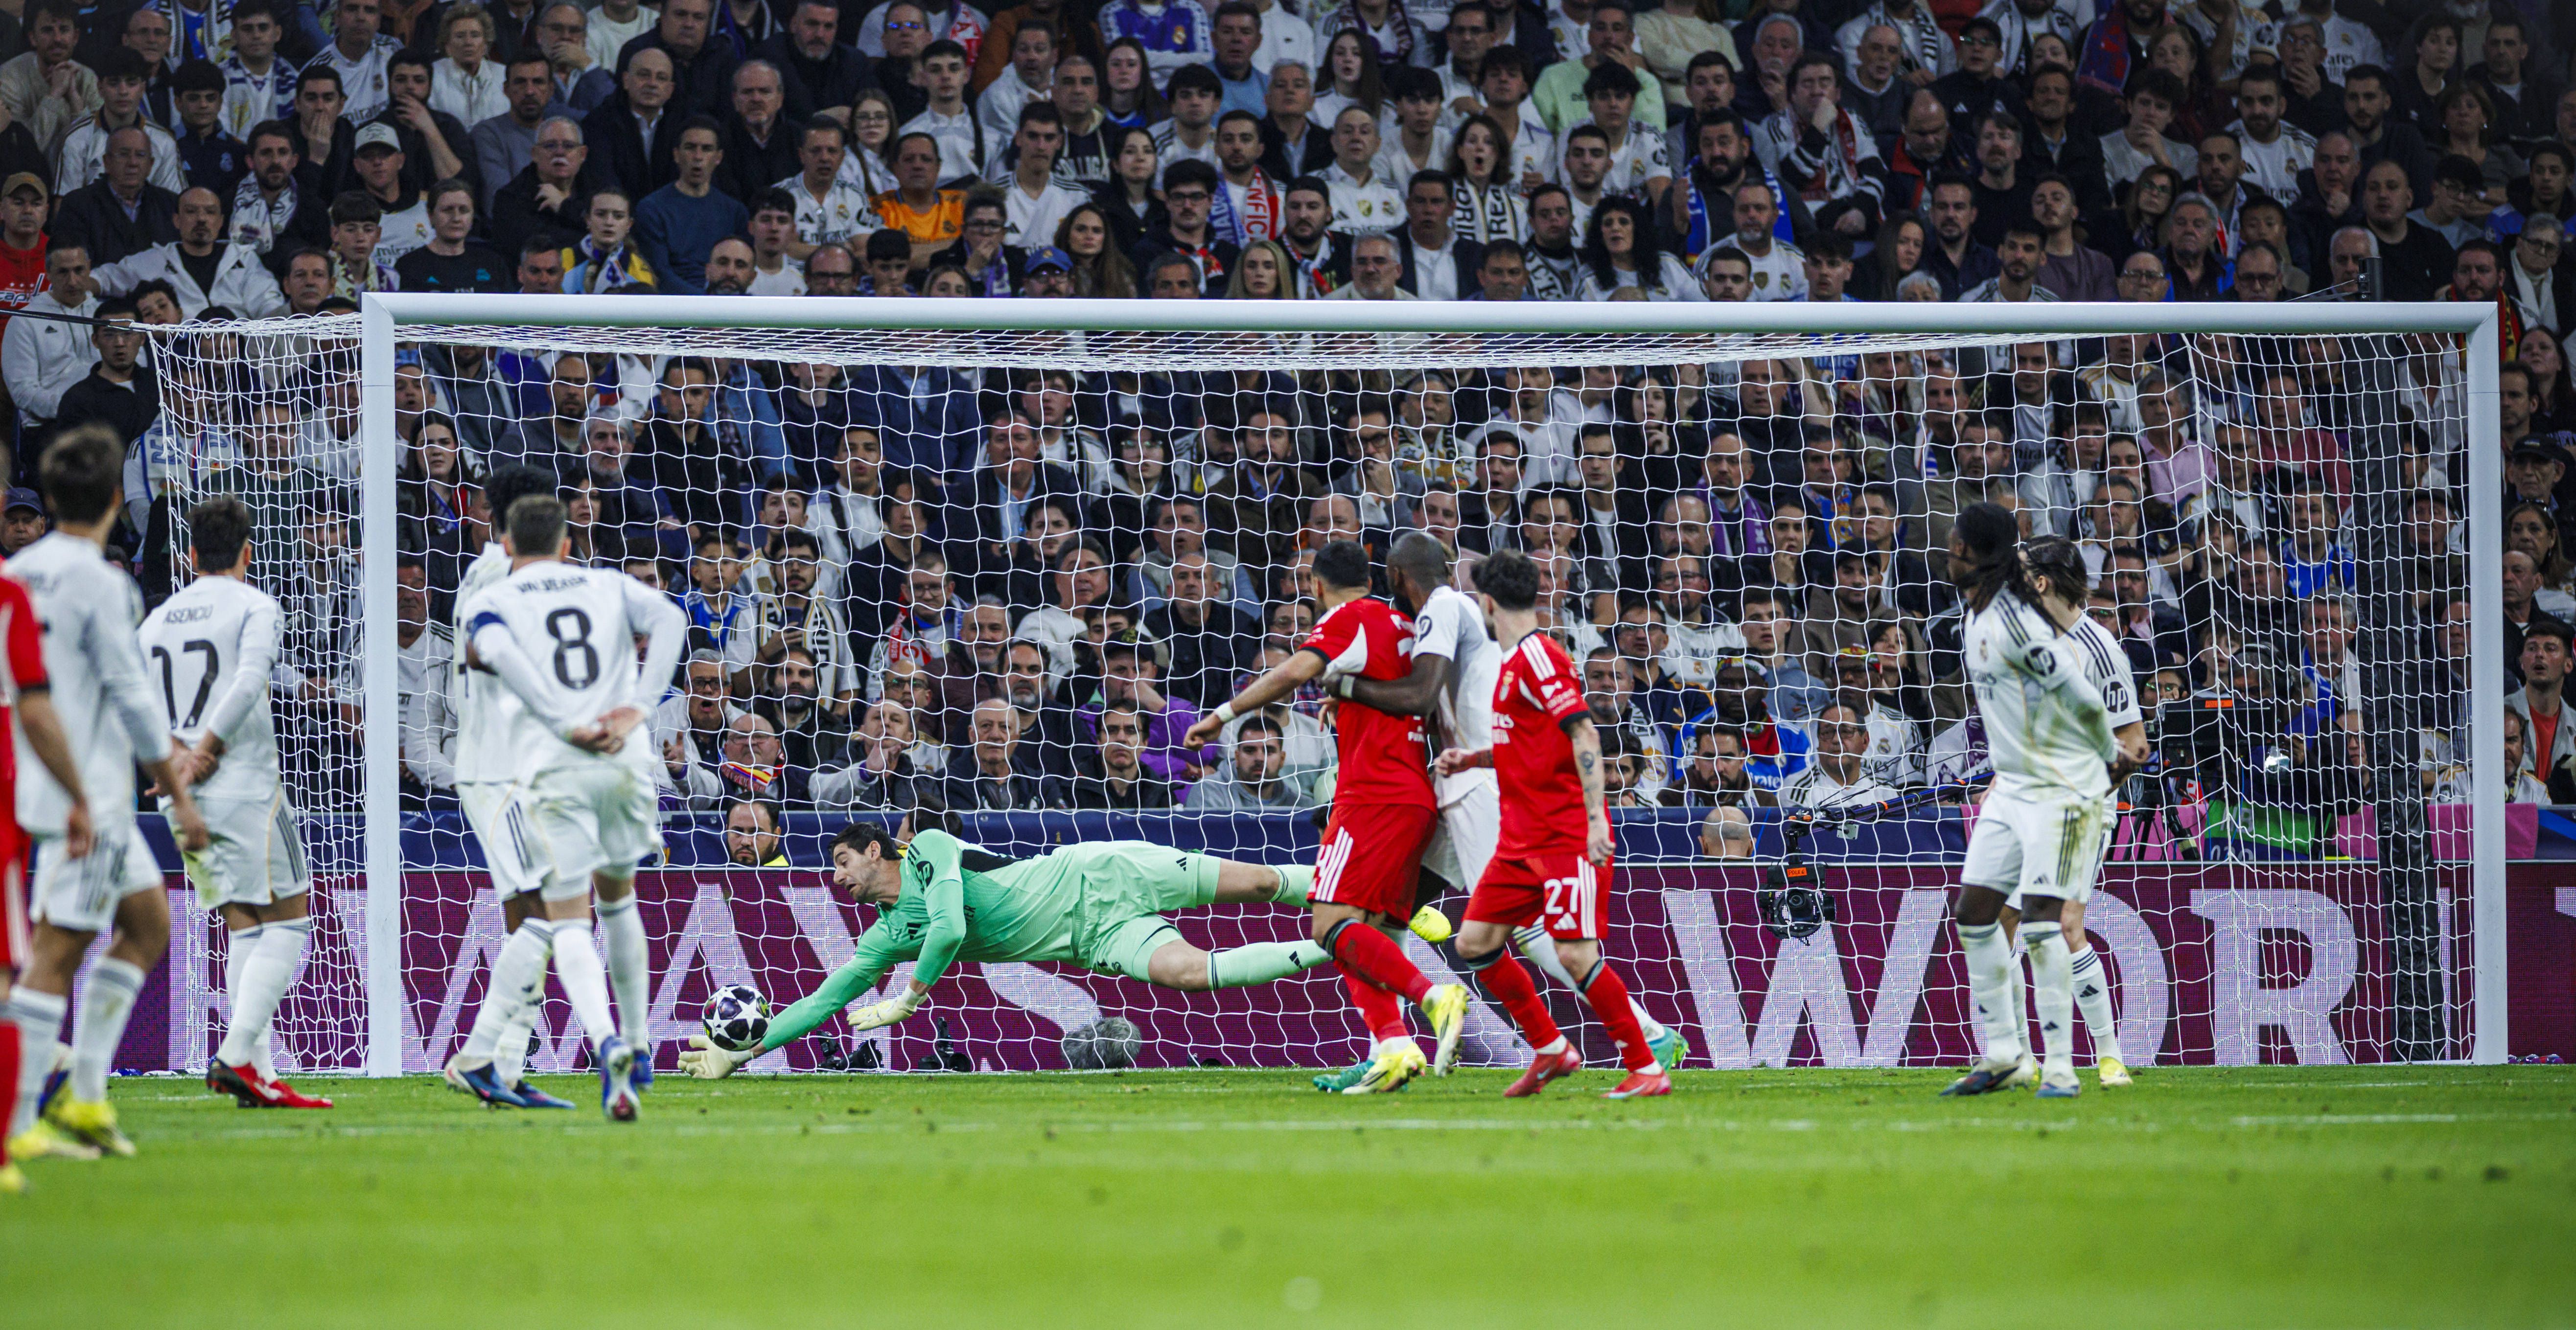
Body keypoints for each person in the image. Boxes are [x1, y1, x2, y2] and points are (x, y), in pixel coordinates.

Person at [681, 819, 1346, 1077]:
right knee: (1190, 974)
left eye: (842, 860)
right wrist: (742, 1050)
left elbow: (945, 928)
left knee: (1258, 879)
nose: (835, 876)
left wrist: (908, 999)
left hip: (1101, 871)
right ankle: (1342, 938)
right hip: (1094, 936)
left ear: (876, 851)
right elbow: (824, 1000)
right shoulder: (884, 936)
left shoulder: (932, 850)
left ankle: (1361, 888)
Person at [1180, 538, 1469, 1094]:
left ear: (1314, 586)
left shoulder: (1351, 617)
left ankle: (1432, 997)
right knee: (1367, 929)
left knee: (1330, 926)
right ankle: (1391, 1048)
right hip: (1416, 792)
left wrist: (1223, 715)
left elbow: (1293, 673)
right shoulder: (1403, 626)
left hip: (1373, 797)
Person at [6, 426, 211, 1163]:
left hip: (39, 778)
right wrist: (177, 792)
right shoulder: (103, 582)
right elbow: (129, 692)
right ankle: (19, 1115)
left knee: (148, 924)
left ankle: (87, 1092)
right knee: (57, 950)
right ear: (117, 498)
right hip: (85, 793)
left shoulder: (20, 572)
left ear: (50, 495)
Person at [452, 494, 687, 1121]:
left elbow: (496, 654)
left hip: (555, 766)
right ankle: (636, 1047)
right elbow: (671, 621)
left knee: (568, 920)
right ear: (566, 543)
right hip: (624, 756)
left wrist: (561, 722)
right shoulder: (606, 583)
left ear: (507, 546)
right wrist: (639, 705)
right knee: (620, 901)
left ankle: (605, 1038)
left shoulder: (492, 598)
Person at [1429, 547, 1671, 1099]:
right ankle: (1550, 1048)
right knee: (1475, 943)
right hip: (1520, 840)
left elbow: (1584, 734)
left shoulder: (1538, 655)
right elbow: (1529, 746)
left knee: (1573, 954)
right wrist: (1473, 759)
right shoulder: (1514, 663)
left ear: (1486, 602)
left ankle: (1646, 1066)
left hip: (1563, 836)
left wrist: (1594, 823)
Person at [137, 498, 328, 1110]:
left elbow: (137, 705)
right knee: (292, 917)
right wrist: (203, 751)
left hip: (181, 794)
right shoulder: (254, 604)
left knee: (244, 923)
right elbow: (249, 681)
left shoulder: (156, 620)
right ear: (247, 553)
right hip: (242, 783)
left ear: (190, 556)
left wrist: (174, 760)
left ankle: (258, 1076)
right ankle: (238, 1051)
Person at [1937, 502, 2121, 1101]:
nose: (1947, 549)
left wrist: (2101, 767)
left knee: (2050, 926)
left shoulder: (2023, 625)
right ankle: (2006, 1055)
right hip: (2012, 788)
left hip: (2061, 791)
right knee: (1975, 916)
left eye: (1954, 541)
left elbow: (2088, 704)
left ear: (1969, 552)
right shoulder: (1975, 617)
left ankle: (2073, 1066)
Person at [438, 466, 598, 1110]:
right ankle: (481, 1057)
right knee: (554, 913)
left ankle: (501, 1066)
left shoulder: (498, 572)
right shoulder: (500, 574)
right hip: (502, 769)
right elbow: (485, 648)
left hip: (510, 766)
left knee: (534, 916)